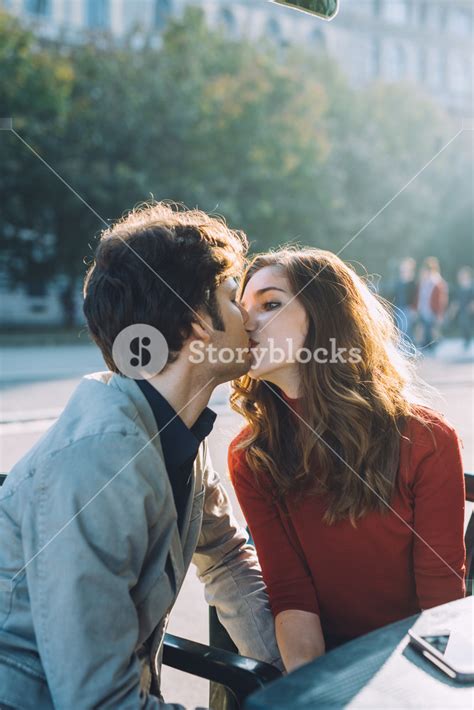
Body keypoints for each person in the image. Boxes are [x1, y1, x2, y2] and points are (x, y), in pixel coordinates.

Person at [0, 202, 281, 709]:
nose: (247, 315)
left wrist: (300, 682)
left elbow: (227, 560)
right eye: (230, 295)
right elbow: (98, 703)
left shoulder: (171, 428)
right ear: (197, 323)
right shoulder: (98, 463)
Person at [228, 247, 466, 674]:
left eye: (270, 304)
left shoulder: (425, 439)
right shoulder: (252, 455)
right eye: (242, 307)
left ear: (325, 318)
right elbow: (291, 596)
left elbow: (439, 604)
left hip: (413, 666)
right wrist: (314, 697)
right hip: (328, 669)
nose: (246, 322)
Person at [416, 256, 448, 352]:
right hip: (422, 310)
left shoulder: (437, 282)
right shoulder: (422, 282)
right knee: (424, 330)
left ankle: (433, 346)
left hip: (432, 310)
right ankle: (426, 346)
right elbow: (419, 296)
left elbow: (441, 300)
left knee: (431, 330)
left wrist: (440, 314)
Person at [391, 257, 417, 343]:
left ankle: (410, 350)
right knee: (400, 330)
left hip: (408, 309)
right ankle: (402, 349)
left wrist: (414, 309)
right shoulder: (398, 282)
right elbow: (395, 295)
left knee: (407, 330)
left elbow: (415, 297)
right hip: (398, 308)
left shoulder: (412, 283)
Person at [449, 266, 474, 351]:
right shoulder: (459, 287)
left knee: (466, 322)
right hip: (462, 310)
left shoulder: (471, 285)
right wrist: (453, 310)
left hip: (470, 310)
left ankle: (468, 340)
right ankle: (466, 340)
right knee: (462, 322)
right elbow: (457, 300)